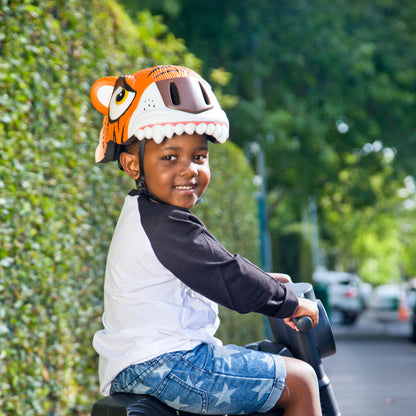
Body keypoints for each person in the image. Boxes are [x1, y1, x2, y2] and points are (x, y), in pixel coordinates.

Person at [90, 65, 321, 416]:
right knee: (301, 380)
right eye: (170, 157)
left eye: (199, 156)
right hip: (170, 364)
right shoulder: (168, 226)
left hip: (139, 365)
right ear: (132, 165)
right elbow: (227, 274)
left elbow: (209, 271)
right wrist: (287, 304)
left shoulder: (147, 215)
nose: (189, 169)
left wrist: (267, 283)